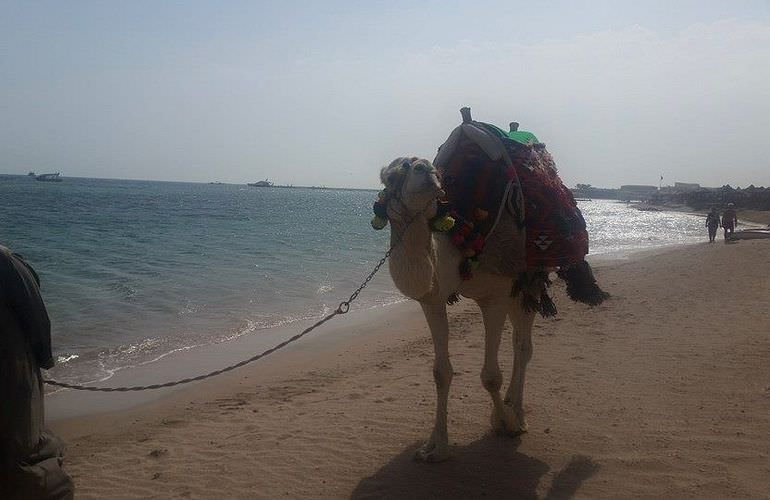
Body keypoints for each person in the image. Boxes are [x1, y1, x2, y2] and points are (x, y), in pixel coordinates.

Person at [0, 245, 74, 499]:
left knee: (20, 445)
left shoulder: (5, 262)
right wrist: (43, 358)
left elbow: (36, 317)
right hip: (15, 372)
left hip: (10, 374)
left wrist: (42, 359)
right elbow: (37, 317)